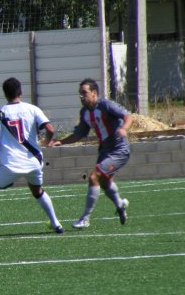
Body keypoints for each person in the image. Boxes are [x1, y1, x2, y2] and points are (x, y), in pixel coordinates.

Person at [0, 77, 64, 240]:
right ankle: (56, 223)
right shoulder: (32, 109)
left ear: (5, 94)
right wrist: (46, 142)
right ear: (20, 92)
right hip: (34, 162)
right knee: (37, 191)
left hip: (11, 164)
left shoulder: (1, 113)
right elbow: (50, 129)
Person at [49, 78, 132, 228]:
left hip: (119, 150)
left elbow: (128, 116)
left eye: (84, 93)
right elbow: (79, 134)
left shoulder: (106, 105)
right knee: (104, 182)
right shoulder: (85, 113)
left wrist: (124, 129)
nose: (81, 96)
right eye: (80, 93)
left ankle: (85, 218)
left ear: (94, 93)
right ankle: (120, 205)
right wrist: (61, 141)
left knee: (94, 177)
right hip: (105, 151)